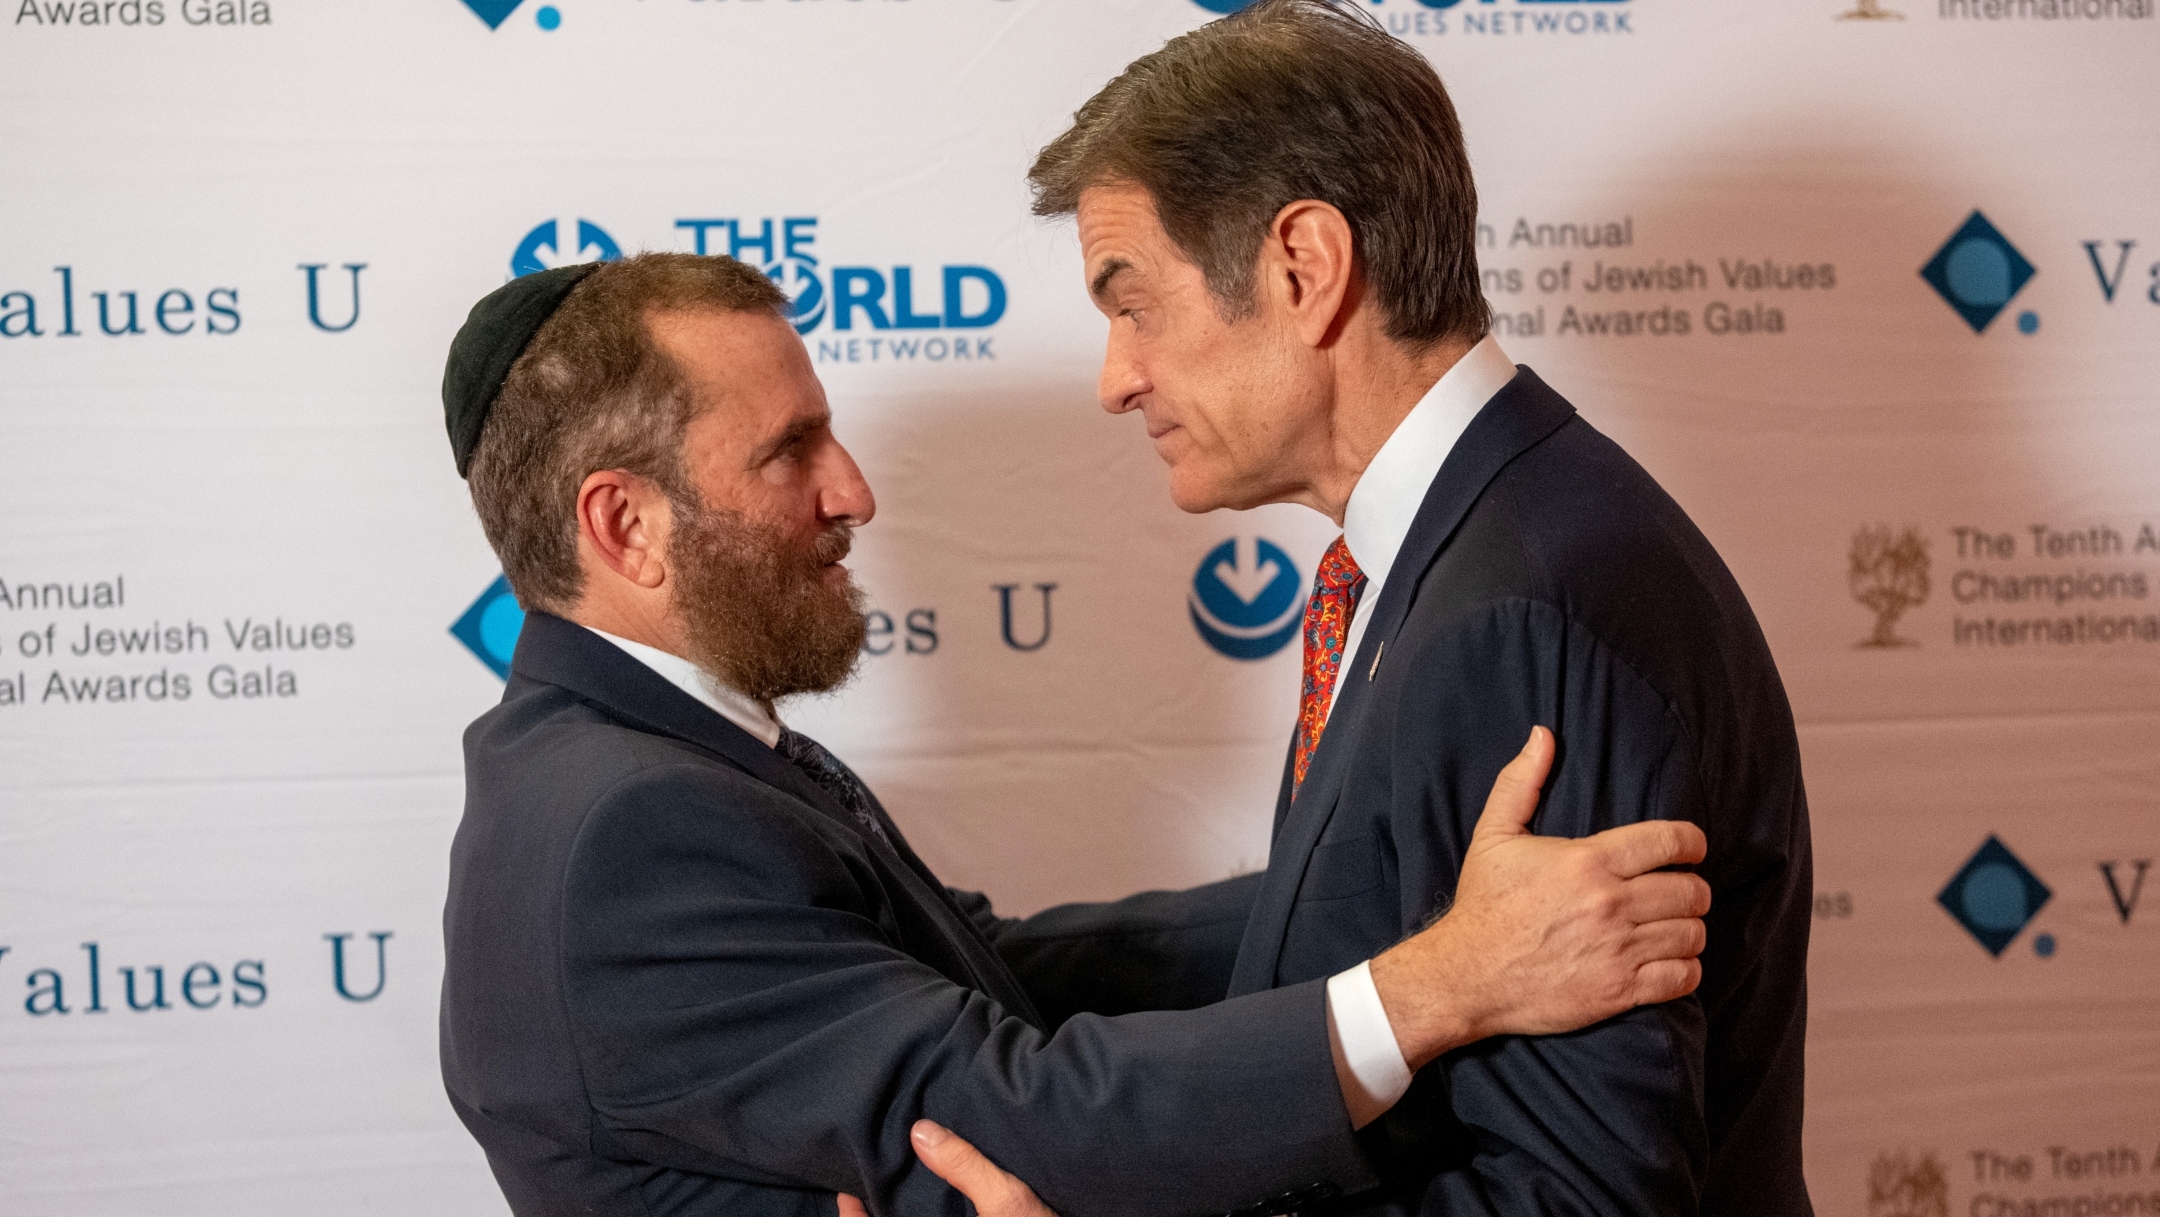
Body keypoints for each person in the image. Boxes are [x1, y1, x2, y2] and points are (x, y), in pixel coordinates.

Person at [435, 253, 1713, 1217]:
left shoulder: (648, 750)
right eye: (789, 451)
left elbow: (995, 968)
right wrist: (1445, 981)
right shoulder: (621, 829)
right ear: (624, 527)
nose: (852, 491)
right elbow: (1017, 1105)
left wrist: (1379, 886)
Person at [913, 3, 1816, 1215]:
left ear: (1305, 267)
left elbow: (1580, 1199)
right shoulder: (1470, 542)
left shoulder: (1522, 608)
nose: (1116, 377)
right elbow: (1346, 919)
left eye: (1133, 305)